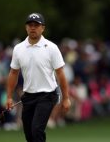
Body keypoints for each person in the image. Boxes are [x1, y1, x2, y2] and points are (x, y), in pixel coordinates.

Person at [6, 12, 71, 142]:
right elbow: (13, 73)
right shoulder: (19, 49)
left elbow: (61, 74)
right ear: (26, 27)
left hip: (47, 95)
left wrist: (66, 98)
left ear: (43, 28)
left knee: (37, 130)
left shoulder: (51, 48)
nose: (33, 27)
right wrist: (8, 97)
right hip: (28, 96)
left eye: (36, 25)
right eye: (30, 25)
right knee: (29, 134)